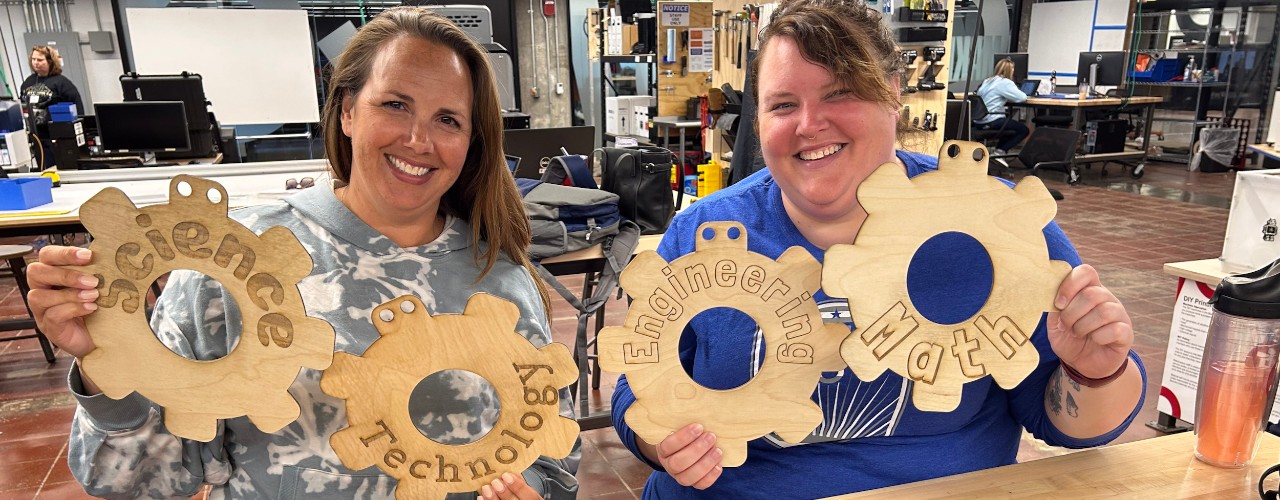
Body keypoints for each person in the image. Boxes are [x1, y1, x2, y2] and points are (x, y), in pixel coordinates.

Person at [25, 7, 577, 499]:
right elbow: (138, 482)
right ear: (347, 112)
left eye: (448, 120)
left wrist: (531, 490)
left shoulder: (498, 275)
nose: (418, 139)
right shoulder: (235, 261)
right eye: (395, 104)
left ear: (472, 141)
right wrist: (104, 363)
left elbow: (555, 457)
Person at [609, 0, 1145, 497]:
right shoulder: (708, 227)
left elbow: (1063, 422)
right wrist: (664, 444)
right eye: (782, 104)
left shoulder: (995, 223)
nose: (809, 124)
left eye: (839, 93)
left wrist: (1094, 373)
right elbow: (639, 385)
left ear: (892, 91)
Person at [19, 45, 84, 169]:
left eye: (40, 60)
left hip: (57, 136)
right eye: (33, 59)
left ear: (49, 61)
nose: (35, 63)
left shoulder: (61, 82)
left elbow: (77, 107)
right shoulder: (28, 83)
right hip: (37, 136)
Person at [973, 57, 1030, 157]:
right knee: (1023, 130)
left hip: (978, 121)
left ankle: (998, 153)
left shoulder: (987, 81)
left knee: (1009, 125)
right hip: (992, 121)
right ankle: (1000, 151)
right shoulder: (1005, 82)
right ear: (1010, 70)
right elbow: (1022, 98)